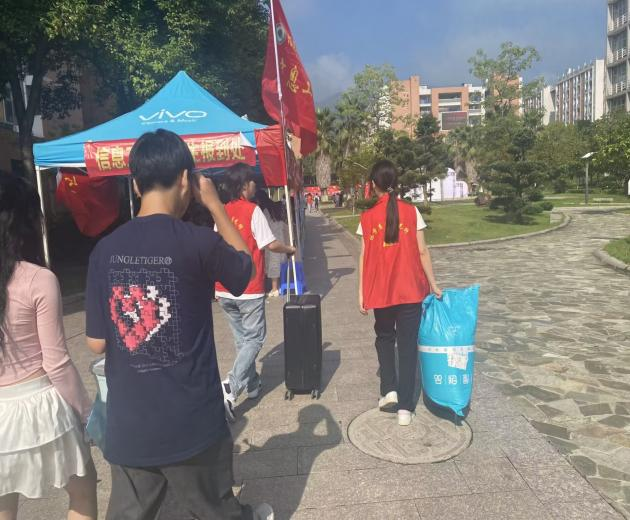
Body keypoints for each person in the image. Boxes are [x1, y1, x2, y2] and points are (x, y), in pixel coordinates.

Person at [84, 129, 273, 520]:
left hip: (131, 422)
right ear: (187, 179)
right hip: (192, 421)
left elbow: (96, 343)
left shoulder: (104, 251)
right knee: (215, 509)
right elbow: (245, 270)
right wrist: (216, 205)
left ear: (136, 185)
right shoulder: (199, 242)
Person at [0, 172, 97, 520]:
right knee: (83, 490)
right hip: (41, 407)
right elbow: (56, 363)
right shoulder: (38, 279)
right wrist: (89, 413)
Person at [357, 160, 442, 427]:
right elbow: (422, 251)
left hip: (381, 291)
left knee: (384, 339)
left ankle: (389, 390)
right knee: (407, 346)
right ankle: (405, 408)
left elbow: (364, 257)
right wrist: (433, 283)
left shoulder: (367, 218)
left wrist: (361, 292)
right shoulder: (412, 212)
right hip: (410, 290)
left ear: (373, 185)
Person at [216, 164, 295, 420]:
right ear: (243, 186)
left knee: (242, 341)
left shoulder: (221, 211)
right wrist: (289, 249)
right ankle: (231, 385)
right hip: (248, 287)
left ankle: (251, 385)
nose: (255, 186)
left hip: (224, 288)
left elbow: (215, 248)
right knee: (255, 339)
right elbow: (270, 244)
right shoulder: (252, 210)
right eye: (252, 182)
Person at [254, 190, 290, 298]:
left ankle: (274, 289)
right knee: (276, 263)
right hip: (280, 237)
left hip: (270, 238)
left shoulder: (264, 210)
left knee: (272, 264)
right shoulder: (275, 206)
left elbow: (262, 226)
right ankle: (276, 287)